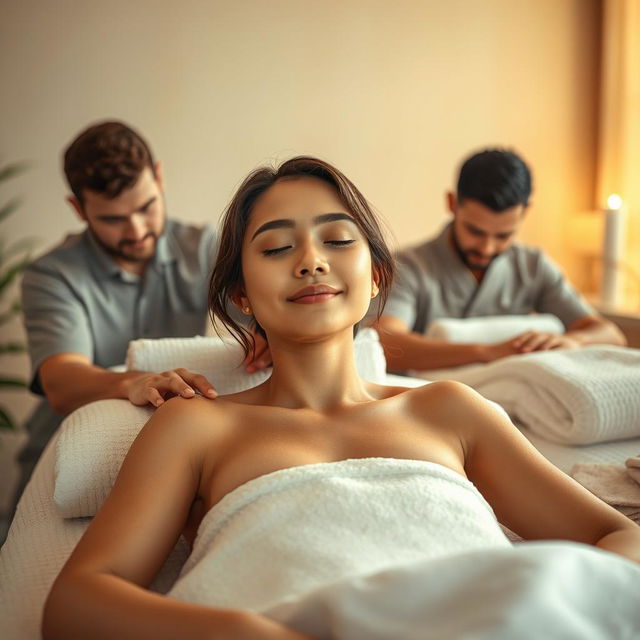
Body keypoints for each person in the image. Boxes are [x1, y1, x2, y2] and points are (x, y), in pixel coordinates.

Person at [43, 157, 640, 640]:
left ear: (376, 275)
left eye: (336, 239)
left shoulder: (449, 411)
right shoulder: (195, 427)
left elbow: (618, 538)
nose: (310, 261)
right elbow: (77, 603)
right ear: (242, 296)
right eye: (276, 249)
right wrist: (250, 632)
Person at [12, 121, 268, 517]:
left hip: (164, 448)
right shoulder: (51, 275)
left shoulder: (204, 248)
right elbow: (61, 381)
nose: (136, 230)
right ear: (78, 209)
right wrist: (139, 380)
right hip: (61, 456)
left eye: (146, 207)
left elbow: (259, 311)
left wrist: (263, 332)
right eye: (113, 219)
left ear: (159, 177)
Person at [371, 148, 626, 372]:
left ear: (524, 213)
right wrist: (486, 352)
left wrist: (573, 341)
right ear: (452, 204)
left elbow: (610, 334)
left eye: (504, 235)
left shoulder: (533, 266)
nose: (487, 247)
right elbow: (386, 342)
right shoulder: (410, 265)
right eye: (475, 231)